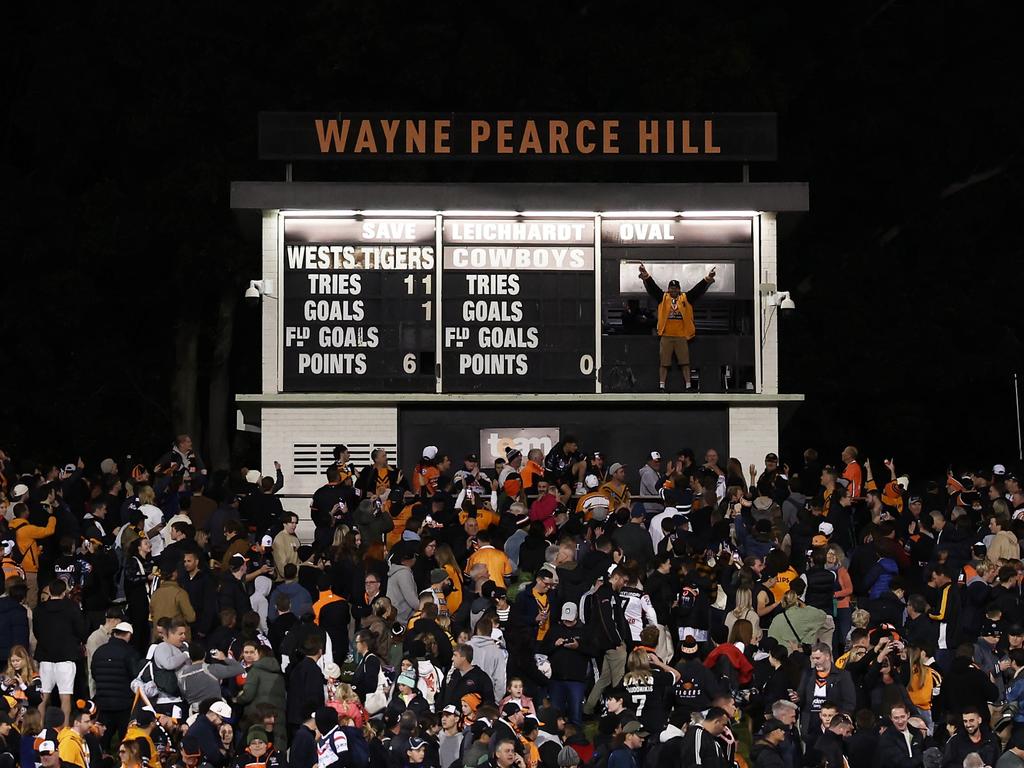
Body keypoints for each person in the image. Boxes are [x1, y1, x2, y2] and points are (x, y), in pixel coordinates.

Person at [637, 262, 716, 391]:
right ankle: (662, 385)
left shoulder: (685, 298)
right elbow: (653, 287)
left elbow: (697, 289)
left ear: (679, 289)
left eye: (676, 288)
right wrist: (645, 274)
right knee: (664, 363)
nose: (673, 290)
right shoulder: (663, 297)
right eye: (671, 288)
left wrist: (708, 278)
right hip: (666, 336)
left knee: (685, 362)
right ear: (669, 289)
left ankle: (688, 385)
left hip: (681, 336)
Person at [34, 579, 87, 721]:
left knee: (43, 697)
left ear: (49, 591)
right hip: (66, 657)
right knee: (65, 697)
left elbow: (36, 631)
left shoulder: (40, 609)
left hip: (45, 656)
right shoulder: (72, 607)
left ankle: (38, 731)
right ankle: (63, 732)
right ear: (65, 592)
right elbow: (81, 629)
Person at [91, 621, 140, 744]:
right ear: (128, 635)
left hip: (104, 702)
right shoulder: (130, 653)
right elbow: (135, 676)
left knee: (103, 738)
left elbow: (94, 674)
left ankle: (102, 757)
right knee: (126, 739)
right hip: (124, 703)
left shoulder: (99, 652)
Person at [879, 703, 929, 768]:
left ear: (908, 715)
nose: (900, 721)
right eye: (896, 718)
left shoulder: (916, 733)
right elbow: (902, 763)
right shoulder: (886, 738)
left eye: (902, 717)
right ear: (891, 718)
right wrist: (924, 757)